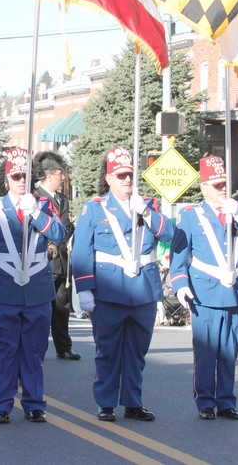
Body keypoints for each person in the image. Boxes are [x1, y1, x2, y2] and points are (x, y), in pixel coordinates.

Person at [72, 147, 174, 423]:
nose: (127, 180)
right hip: (108, 291)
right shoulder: (94, 209)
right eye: (121, 175)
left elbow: (170, 234)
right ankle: (105, 402)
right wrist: (84, 289)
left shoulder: (147, 205)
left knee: (137, 353)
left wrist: (147, 214)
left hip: (142, 291)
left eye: (130, 175)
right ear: (109, 179)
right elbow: (81, 251)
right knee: (107, 351)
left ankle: (132, 402)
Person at [0, 147, 66, 424]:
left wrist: (37, 213)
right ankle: (1, 404)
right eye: (15, 175)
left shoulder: (44, 205)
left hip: (36, 290)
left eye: (26, 175)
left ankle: (34, 403)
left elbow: (58, 234)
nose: (21, 180)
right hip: (3, 290)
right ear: (6, 178)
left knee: (35, 352)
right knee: (4, 351)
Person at [171, 155, 238, 420]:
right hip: (205, 293)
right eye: (216, 185)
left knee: (228, 352)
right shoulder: (191, 216)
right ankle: (205, 402)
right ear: (204, 187)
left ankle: (226, 401)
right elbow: (179, 256)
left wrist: (237, 213)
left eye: (224, 184)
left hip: (234, 293)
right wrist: (180, 284)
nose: (222, 189)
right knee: (205, 353)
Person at [34, 150, 81, 361]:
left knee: (62, 306)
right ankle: (38, 348)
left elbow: (66, 227)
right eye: (60, 174)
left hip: (62, 260)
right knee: (43, 308)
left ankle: (64, 346)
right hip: (45, 260)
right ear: (49, 175)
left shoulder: (62, 199)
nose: (63, 178)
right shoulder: (35, 199)